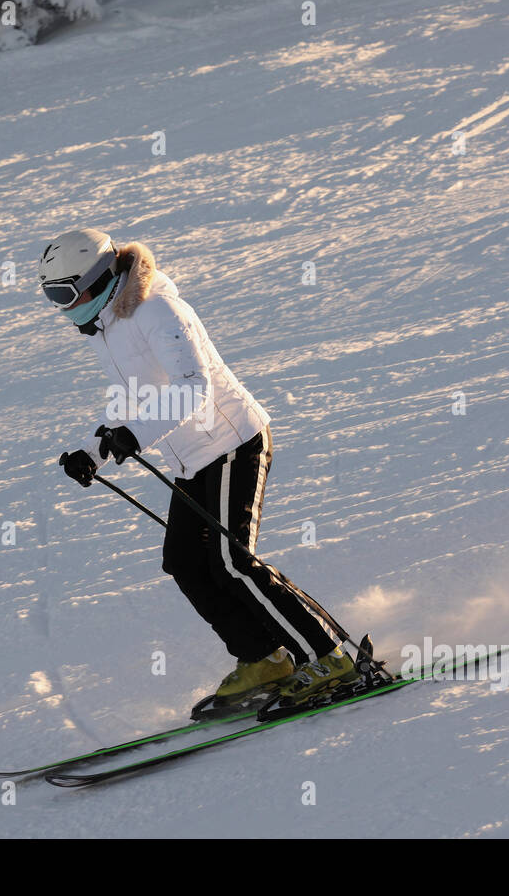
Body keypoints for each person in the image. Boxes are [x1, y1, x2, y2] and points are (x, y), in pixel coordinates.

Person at [39, 228, 358, 708]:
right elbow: (131, 396)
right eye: (51, 297)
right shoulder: (108, 326)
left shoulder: (157, 310)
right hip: (190, 455)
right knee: (185, 562)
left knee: (232, 562)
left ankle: (330, 656)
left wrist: (137, 437)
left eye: (64, 293)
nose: (62, 308)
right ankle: (264, 657)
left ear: (98, 277)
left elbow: (193, 386)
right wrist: (94, 449)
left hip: (232, 442)